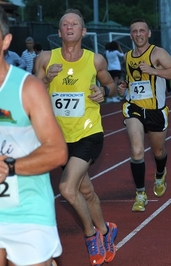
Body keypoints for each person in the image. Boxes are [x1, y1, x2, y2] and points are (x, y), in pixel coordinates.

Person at [34, 9, 118, 266]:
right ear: (59, 33)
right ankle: (107, 230)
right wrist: (47, 79)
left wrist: (103, 91)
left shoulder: (96, 61)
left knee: (66, 188)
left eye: (75, 24)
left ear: (83, 31)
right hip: (59, 138)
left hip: (89, 133)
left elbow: (112, 85)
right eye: (65, 24)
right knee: (85, 190)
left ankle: (90, 235)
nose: (70, 27)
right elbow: (33, 92)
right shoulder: (45, 58)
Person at [0, 6, 68, 266]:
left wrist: (8, 166)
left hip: (27, 211)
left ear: (6, 40)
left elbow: (57, 151)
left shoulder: (27, 88)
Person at [117, 19, 171, 212]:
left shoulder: (157, 53)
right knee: (137, 151)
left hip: (156, 111)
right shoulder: (127, 56)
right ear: (131, 35)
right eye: (134, 31)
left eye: (142, 31)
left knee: (158, 152)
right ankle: (140, 194)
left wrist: (152, 70)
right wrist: (123, 87)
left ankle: (160, 173)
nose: (138, 34)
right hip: (134, 108)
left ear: (149, 33)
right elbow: (130, 81)